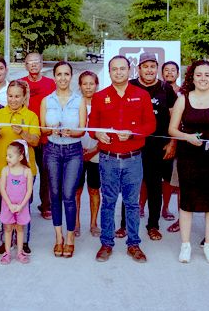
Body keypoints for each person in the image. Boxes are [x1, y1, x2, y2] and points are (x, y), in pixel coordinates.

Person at [89, 55, 156, 263]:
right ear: (109, 72)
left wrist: (134, 133)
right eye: (114, 69)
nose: (118, 72)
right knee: (108, 202)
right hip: (108, 159)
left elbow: (150, 125)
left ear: (130, 71)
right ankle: (106, 243)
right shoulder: (100, 97)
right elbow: (92, 126)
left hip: (133, 159)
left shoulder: (141, 95)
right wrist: (97, 134)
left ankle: (133, 244)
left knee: (132, 204)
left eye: (122, 69)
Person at [169, 60, 209, 264]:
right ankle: (185, 245)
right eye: (199, 75)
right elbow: (172, 129)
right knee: (186, 202)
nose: (203, 79)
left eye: (207, 75)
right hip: (189, 157)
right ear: (192, 77)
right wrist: (186, 137)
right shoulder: (183, 99)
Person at [119, 53, 177, 241]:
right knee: (130, 186)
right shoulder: (131, 86)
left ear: (157, 68)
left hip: (158, 146)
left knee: (154, 187)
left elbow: (174, 118)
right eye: (145, 66)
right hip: (134, 145)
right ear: (138, 69)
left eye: (153, 66)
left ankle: (153, 225)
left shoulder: (165, 88)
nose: (149, 70)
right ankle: (124, 225)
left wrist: (172, 142)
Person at [0, 80, 41, 255]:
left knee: (24, 205)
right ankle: (6, 241)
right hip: (2, 169)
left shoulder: (32, 116)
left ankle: (24, 241)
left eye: (17, 96)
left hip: (25, 171)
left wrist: (23, 133)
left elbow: (36, 141)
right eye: (10, 96)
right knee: (5, 205)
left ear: (24, 96)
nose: (13, 99)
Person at [40, 61, 85, 258]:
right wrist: (52, 129)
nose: (63, 78)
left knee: (69, 194)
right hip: (52, 150)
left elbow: (82, 129)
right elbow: (42, 129)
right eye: (59, 74)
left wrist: (72, 132)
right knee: (55, 194)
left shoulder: (79, 100)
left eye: (66, 74)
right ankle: (58, 237)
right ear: (54, 77)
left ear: (71, 76)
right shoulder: (46, 101)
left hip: (73, 151)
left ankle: (70, 237)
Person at [19, 52, 56, 220]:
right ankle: (25, 202)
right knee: (25, 171)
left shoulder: (50, 84)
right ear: (25, 65)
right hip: (26, 135)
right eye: (29, 62)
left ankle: (46, 205)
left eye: (36, 62)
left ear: (42, 64)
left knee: (47, 173)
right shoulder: (20, 84)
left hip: (46, 136)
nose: (33, 65)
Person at [0, 141, 34, 265]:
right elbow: (2, 188)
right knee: (7, 229)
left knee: (20, 229)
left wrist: (21, 206)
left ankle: (20, 252)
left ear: (20, 157)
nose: (7, 158)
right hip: (8, 206)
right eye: (7, 155)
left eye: (10, 156)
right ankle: (7, 253)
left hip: (21, 206)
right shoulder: (5, 170)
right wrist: (10, 205)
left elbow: (29, 190)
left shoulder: (27, 171)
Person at [76, 71, 101, 238]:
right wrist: (79, 151)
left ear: (96, 85)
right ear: (80, 86)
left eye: (91, 83)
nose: (88, 87)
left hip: (96, 154)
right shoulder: (75, 103)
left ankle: (93, 223)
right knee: (76, 191)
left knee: (94, 190)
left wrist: (94, 150)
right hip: (76, 153)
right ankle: (76, 223)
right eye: (85, 84)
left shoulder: (102, 103)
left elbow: (109, 132)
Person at [161, 61, 181, 227]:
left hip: (176, 141)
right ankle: (140, 206)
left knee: (171, 178)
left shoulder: (184, 93)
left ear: (178, 73)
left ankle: (165, 208)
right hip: (156, 140)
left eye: (172, 70)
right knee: (147, 177)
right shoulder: (158, 90)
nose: (169, 73)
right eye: (166, 70)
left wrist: (174, 141)